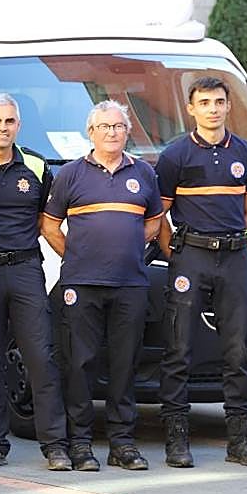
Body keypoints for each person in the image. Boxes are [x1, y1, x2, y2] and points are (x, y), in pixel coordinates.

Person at [41, 100, 163, 472]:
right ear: (90, 132)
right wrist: (76, 256)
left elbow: (154, 223)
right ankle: (80, 444)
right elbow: (49, 226)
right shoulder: (71, 175)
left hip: (130, 285)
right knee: (81, 363)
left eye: (118, 127)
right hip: (81, 284)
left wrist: (127, 253)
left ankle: (123, 444)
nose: (112, 132)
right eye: (104, 127)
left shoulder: (143, 173)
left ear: (128, 132)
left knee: (125, 364)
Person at [0, 94, 71, 472]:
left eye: (9, 121)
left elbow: (46, 221)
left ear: (18, 126)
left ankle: (55, 445)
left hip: (25, 271)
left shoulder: (36, 166)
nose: (2, 128)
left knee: (41, 358)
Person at [155, 75, 247, 467]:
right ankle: (176, 441)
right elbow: (159, 213)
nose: (213, 109)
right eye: (204, 103)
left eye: (219, 102)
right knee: (179, 348)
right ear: (191, 109)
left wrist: (244, 235)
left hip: (234, 257)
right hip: (192, 257)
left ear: (228, 106)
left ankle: (239, 441)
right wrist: (176, 253)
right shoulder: (175, 156)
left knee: (238, 350)